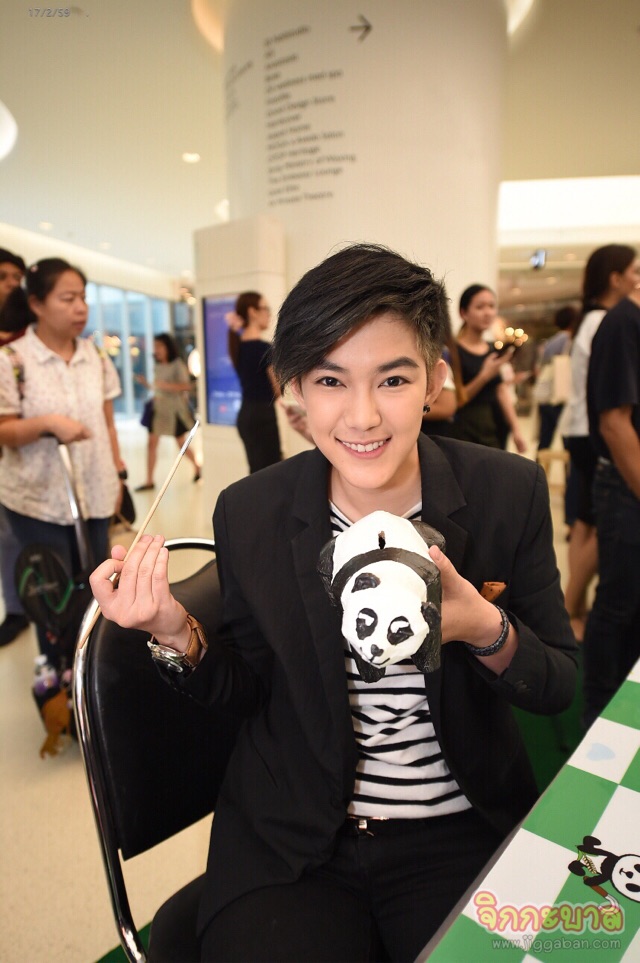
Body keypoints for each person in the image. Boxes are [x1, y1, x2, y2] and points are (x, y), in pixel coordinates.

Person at [91, 243, 576, 963]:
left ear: (436, 379)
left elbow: (560, 681)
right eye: (330, 380)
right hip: (293, 840)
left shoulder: (507, 491)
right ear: (295, 390)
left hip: (455, 828)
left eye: (394, 379)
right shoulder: (251, 511)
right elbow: (249, 689)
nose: (363, 415)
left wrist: (484, 627)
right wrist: (172, 629)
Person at [0, 257, 125, 663]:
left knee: (97, 587)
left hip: (94, 491)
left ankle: (93, 671)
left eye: (83, 298)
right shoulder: (12, 360)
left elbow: (108, 424)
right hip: (37, 500)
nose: (80, 308)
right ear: (36, 304)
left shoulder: (96, 357)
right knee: (52, 596)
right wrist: (48, 424)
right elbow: (4, 430)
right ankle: (58, 676)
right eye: (67, 299)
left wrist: (118, 474)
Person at [560, 244, 639, 642]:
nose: (636, 279)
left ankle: (571, 608)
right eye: (633, 271)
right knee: (594, 522)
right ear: (615, 277)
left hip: (583, 428)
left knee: (586, 521)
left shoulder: (595, 320)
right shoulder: (607, 321)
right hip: (588, 433)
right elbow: (611, 408)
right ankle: (569, 610)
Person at [583, 285, 640, 727]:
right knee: (619, 604)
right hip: (626, 484)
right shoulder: (623, 322)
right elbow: (615, 424)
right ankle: (601, 717)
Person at [454, 284, 527, 453]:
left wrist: (516, 430)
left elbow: (501, 391)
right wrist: (484, 376)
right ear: (463, 313)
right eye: (480, 307)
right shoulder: (453, 351)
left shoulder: (493, 349)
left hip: (493, 426)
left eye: (492, 306)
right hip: (465, 430)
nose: (488, 313)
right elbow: (456, 400)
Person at [0, 248, 30, 647]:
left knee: (12, 534)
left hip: (19, 456)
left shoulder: (25, 341)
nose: (11, 284)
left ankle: (23, 608)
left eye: (16, 277)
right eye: (4, 276)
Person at [135, 333, 200, 490]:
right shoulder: (157, 365)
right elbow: (157, 387)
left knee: (181, 443)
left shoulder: (177, 364)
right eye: (155, 346)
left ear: (167, 347)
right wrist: (146, 384)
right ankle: (149, 480)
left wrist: (166, 386)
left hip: (174, 411)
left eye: (159, 346)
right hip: (158, 410)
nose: (156, 350)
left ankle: (198, 467)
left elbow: (187, 386)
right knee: (151, 443)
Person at [226, 291, 282, 473]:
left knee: (257, 473)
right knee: (270, 474)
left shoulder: (237, 347)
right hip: (262, 416)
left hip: (246, 414)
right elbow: (277, 390)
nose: (269, 314)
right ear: (252, 312)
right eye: (265, 308)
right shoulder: (263, 349)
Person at [534, 305, 576, 452]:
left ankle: (539, 465)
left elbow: (539, 367)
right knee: (568, 441)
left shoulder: (550, 342)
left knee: (545, 439)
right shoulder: (569, 340)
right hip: (561, 396)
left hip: (546, 395)